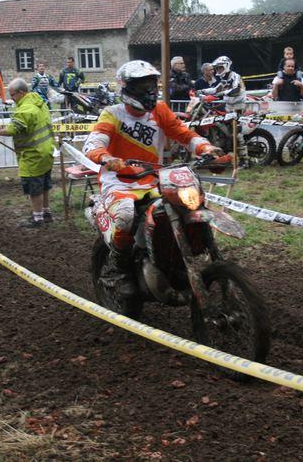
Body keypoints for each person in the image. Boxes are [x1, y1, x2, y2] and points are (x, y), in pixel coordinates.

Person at [82, 60, 222, 295]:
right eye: (141, 85)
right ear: (127, 87)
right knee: (126, 216)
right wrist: (105, 157)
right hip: (119, 181)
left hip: (154, 178)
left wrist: (206, 148)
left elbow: (183, 134)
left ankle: (180, 257)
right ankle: (119, 270)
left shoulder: (160, 110)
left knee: (186, 205)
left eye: (151, 84)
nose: (148, 90)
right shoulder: (112, 114)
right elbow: (94, 142)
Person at [0, 78, 55, 228]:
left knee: (34, 189)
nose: (11, 98)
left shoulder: (25, 110)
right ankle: (46, 213)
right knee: (44, 185)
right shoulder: (38, 102)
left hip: (33, 154)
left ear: (21, 92)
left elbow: (14, 129)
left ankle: (37, 219)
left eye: (13, 95)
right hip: (47, 151)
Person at [204, 56, 250, 166]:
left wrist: (223, 93)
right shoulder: (224, 79)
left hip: (238, 106)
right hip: (228, 107)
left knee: (236, 132)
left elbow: (236, 89)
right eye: (217, 68)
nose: (219, 70)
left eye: (220, 67)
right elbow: (215, 90)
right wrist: (202, 91)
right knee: (225, 129)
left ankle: (245, 161)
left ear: (227, 66)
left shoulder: (235, 76)